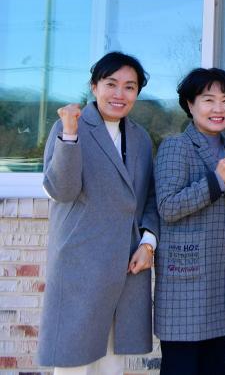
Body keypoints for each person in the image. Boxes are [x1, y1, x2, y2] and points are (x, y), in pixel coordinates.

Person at [38, 52, 158, 374]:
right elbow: (61, 191)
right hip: (81, 264)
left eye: (129, 87)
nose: (120, 94)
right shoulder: (69, 127)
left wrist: (148, 244)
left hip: (127, 264)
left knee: (112, 364)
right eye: (111, 84)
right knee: (74, 363)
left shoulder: (141, 138)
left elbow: (149, 197)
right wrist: (70, 134)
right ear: (94, 87)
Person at [153, 68, 225, 375]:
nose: (218, 108)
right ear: (190, 104)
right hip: (186, 281)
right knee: (183, 367)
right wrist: (216, 181)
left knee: (214, 366)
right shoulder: (176, 146)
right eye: (208, 100)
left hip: (221, 278)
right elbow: (167, 207)